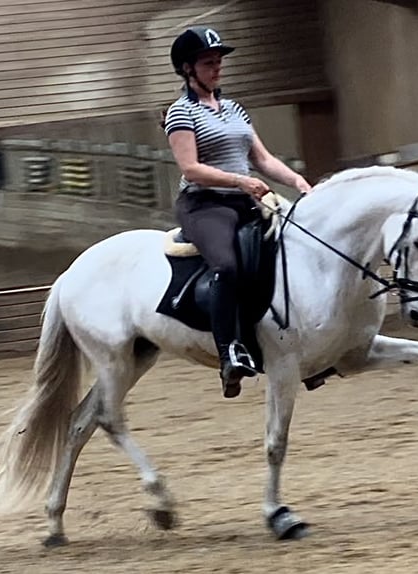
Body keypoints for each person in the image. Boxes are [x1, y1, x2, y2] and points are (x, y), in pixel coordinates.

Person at [164, 26, 312, 399]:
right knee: (227, 267)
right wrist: (240, 182)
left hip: (245, 199)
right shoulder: (181, 112)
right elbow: (191, 169)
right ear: (187, 69)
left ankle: (305, 344)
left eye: (219, 62)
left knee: (294, 249)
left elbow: (260, 158)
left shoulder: (232, 108)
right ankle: (229, 350)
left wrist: (297, 181)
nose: (217, 69)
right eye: (208, 63)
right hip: (205, 204)